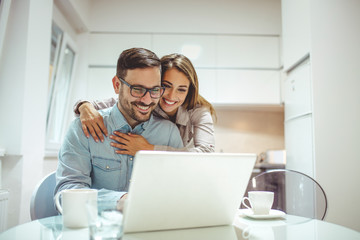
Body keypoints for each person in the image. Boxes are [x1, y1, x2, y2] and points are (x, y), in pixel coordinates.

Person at [55, 48, 183, 203]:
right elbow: (66, 194)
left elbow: (179, 190)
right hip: (98, 224)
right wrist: (120, 200)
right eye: (137, 89)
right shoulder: (82, 129)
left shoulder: (169, 134)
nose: (147, 100)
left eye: (155, 90)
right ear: (117, 85)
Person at [74, 53, 216, 155]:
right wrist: (84, 106)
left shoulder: (199, 111)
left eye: (181, 89)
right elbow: (109, 104)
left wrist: (149, 149)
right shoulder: (148, 100)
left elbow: (207, 153)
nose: (172, 96)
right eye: (166, 86)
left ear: (189, 91)